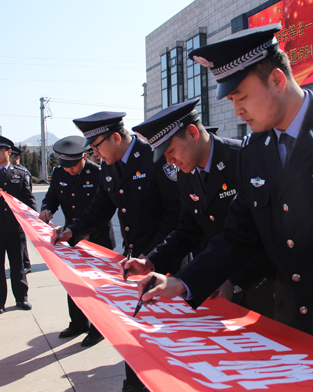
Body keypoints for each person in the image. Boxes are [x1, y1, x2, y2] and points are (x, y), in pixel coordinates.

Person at [136, 24, 313, 364]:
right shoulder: (254, 151)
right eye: (232, 101)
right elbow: (239, 236)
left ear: (276, 80)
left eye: (241, 97)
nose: (237, 111)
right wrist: (182, 283)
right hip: (294, 325)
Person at [50, 111, 181, 391]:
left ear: (117, 138)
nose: (94, 154)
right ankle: (135, 384)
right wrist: (72, 231)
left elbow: (176, 215)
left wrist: (152, 257)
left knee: (163, 335)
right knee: (137, 331)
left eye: (97, 147)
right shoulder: (110, 165)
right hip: (134, 263)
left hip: (165, 261)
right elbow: (101, 206)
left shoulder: (155, 157)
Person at [124, 98, 274, 316]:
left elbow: (265, 234)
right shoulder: (186, 173)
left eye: (171, 151)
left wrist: (234, 280)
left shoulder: (243, 159)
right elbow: (188, 230)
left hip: (262, 286)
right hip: (215, 282)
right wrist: (150, 261)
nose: (169, 162)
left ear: (193, 133)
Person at [39, 135, 116, 348]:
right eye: (65, 165)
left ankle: (98, 328)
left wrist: (87, 232)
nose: (69, 170)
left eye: (72, 165)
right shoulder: (59, 173)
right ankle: (78, 323)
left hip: (98, 240)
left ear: (83, 157)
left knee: (97, 287)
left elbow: (105, 208)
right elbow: (52, 196)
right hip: (72, 239)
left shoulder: (98, 173)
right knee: (73, 284)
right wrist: (46, 209)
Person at [0, 135, 38, 314]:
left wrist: (37, 218)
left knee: (18, 265)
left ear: (8, 152)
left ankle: (21, 298)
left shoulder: (20, 173)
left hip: (14, 228)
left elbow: (28, 198)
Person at [10, 145, 33, 274]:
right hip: (10, 211)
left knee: (21, 239)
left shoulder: (23, 172)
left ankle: (26, 263)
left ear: (16, 157)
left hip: (20, 211)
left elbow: (28, 193)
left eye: (10, 156)